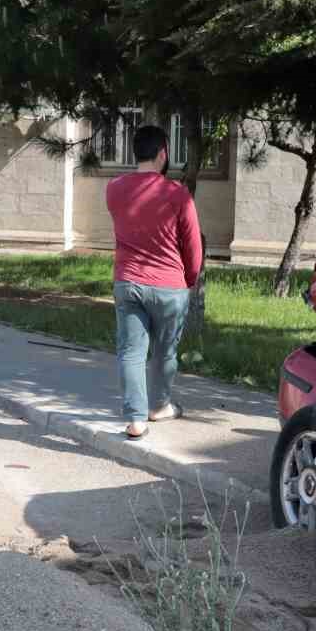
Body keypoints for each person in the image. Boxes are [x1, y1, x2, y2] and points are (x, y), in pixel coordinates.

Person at [105, 124, 203, 440]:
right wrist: (189, 279)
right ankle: (159, 406)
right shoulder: (177, 194)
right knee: (164, 352)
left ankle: (136, 419)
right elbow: (192, 246)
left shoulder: (114, 189)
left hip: (128, 281)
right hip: (170, 285)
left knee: (131, 352)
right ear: (163, 153)